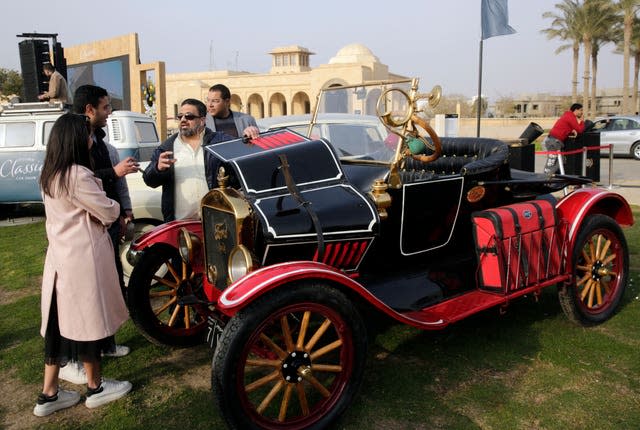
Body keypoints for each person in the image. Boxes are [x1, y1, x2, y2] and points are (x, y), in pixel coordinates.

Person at [34, 113, 132, 417]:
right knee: (88, 322)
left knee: (58, 325)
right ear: (76, 139)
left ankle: (49, 394)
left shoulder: (50, 173)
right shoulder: (77, 174)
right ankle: (96, 387)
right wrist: (112, 205)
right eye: (87, 134)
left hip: (60, 258)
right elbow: (107, 212)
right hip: (83, 259)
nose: (91, 138)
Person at [57, 85, 138, 386]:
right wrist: (113, 184)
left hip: (97, 235)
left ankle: (103, 345)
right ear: (89, 110)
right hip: (81, 243)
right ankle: (83, 368)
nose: (109, 113)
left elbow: (111, 191)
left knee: (108, 288)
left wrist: (123, 209)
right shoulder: (73, 158)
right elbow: (87, 188)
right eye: (105, 107)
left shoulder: (99, 143)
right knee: (85, 303)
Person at [143, 98, 235, 222]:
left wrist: (248, 134)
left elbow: (241, 150)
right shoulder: (166, 148)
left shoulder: (218, 142)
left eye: (189, 116)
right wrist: (158, 169)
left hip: (216, 222)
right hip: (181, 224)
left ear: (202, 120)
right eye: (180, 116)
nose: (183, 120)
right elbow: (149, 180)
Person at [543, 103, 585, 175]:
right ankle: (545, 180)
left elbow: (565, 127)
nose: (582, 112)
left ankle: (551, 180)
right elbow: (579, 130)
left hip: (554, 141)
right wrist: (582, 121)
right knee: (552, 162)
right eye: (581, 110)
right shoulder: (571, 117)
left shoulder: (567, 115)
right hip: (554, 142)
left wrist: (571, 130)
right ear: (576, 110)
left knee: (559, 161)